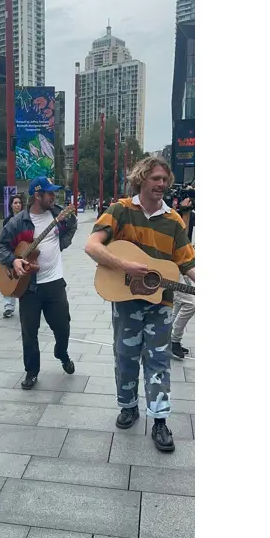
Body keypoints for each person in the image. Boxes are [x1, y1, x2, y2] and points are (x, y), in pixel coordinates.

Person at [84, 157, 196, 452]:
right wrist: (125, 265)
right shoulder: (121, 210)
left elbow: (188, 262)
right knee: (126, 355)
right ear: (141, 179)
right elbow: (92, 245)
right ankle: (129, 406)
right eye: (155, 178)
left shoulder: (173, 220)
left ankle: (159, 420)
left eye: (164, 180)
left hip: (161, 302)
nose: (161, 185)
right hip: (125, 301)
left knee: (159, 359)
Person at [0, 175, 78, 390]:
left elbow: (72, 226)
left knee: (63, 327)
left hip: (55, 283)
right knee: (29, 331)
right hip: (29, 287)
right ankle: (31, 371)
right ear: (37, 196)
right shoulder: (18, 221)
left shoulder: (59, 213)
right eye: (49, 193)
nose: (54, 196)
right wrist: (14, 261)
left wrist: (61, 244)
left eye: (54, 192)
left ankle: (61, 351)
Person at [1, 194, 25, 318]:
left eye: (19, 203)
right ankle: (8, 306)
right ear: (11, 205)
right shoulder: (7, 221)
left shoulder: (26, 219)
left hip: (23, 252)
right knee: (8, 278)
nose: (17, 205)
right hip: (11, 252)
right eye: (15, 203)